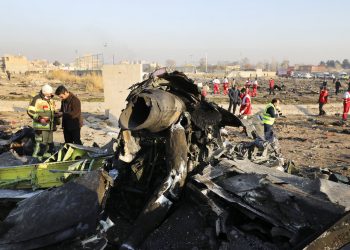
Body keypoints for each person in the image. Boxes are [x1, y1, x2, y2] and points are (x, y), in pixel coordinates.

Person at [27, 84, 57, 160]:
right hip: (40, 127)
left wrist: (57, 118)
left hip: (49, 127)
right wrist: (40, 119)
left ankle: (45, 159)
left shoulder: (51, 100)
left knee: (49, 144)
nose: (51, 94)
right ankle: (34, 161)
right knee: (40, 145)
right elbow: (30, 111)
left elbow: (53, 111)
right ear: (44, 92)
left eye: (51, 93)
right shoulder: (36, 99)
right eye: (49, 93)